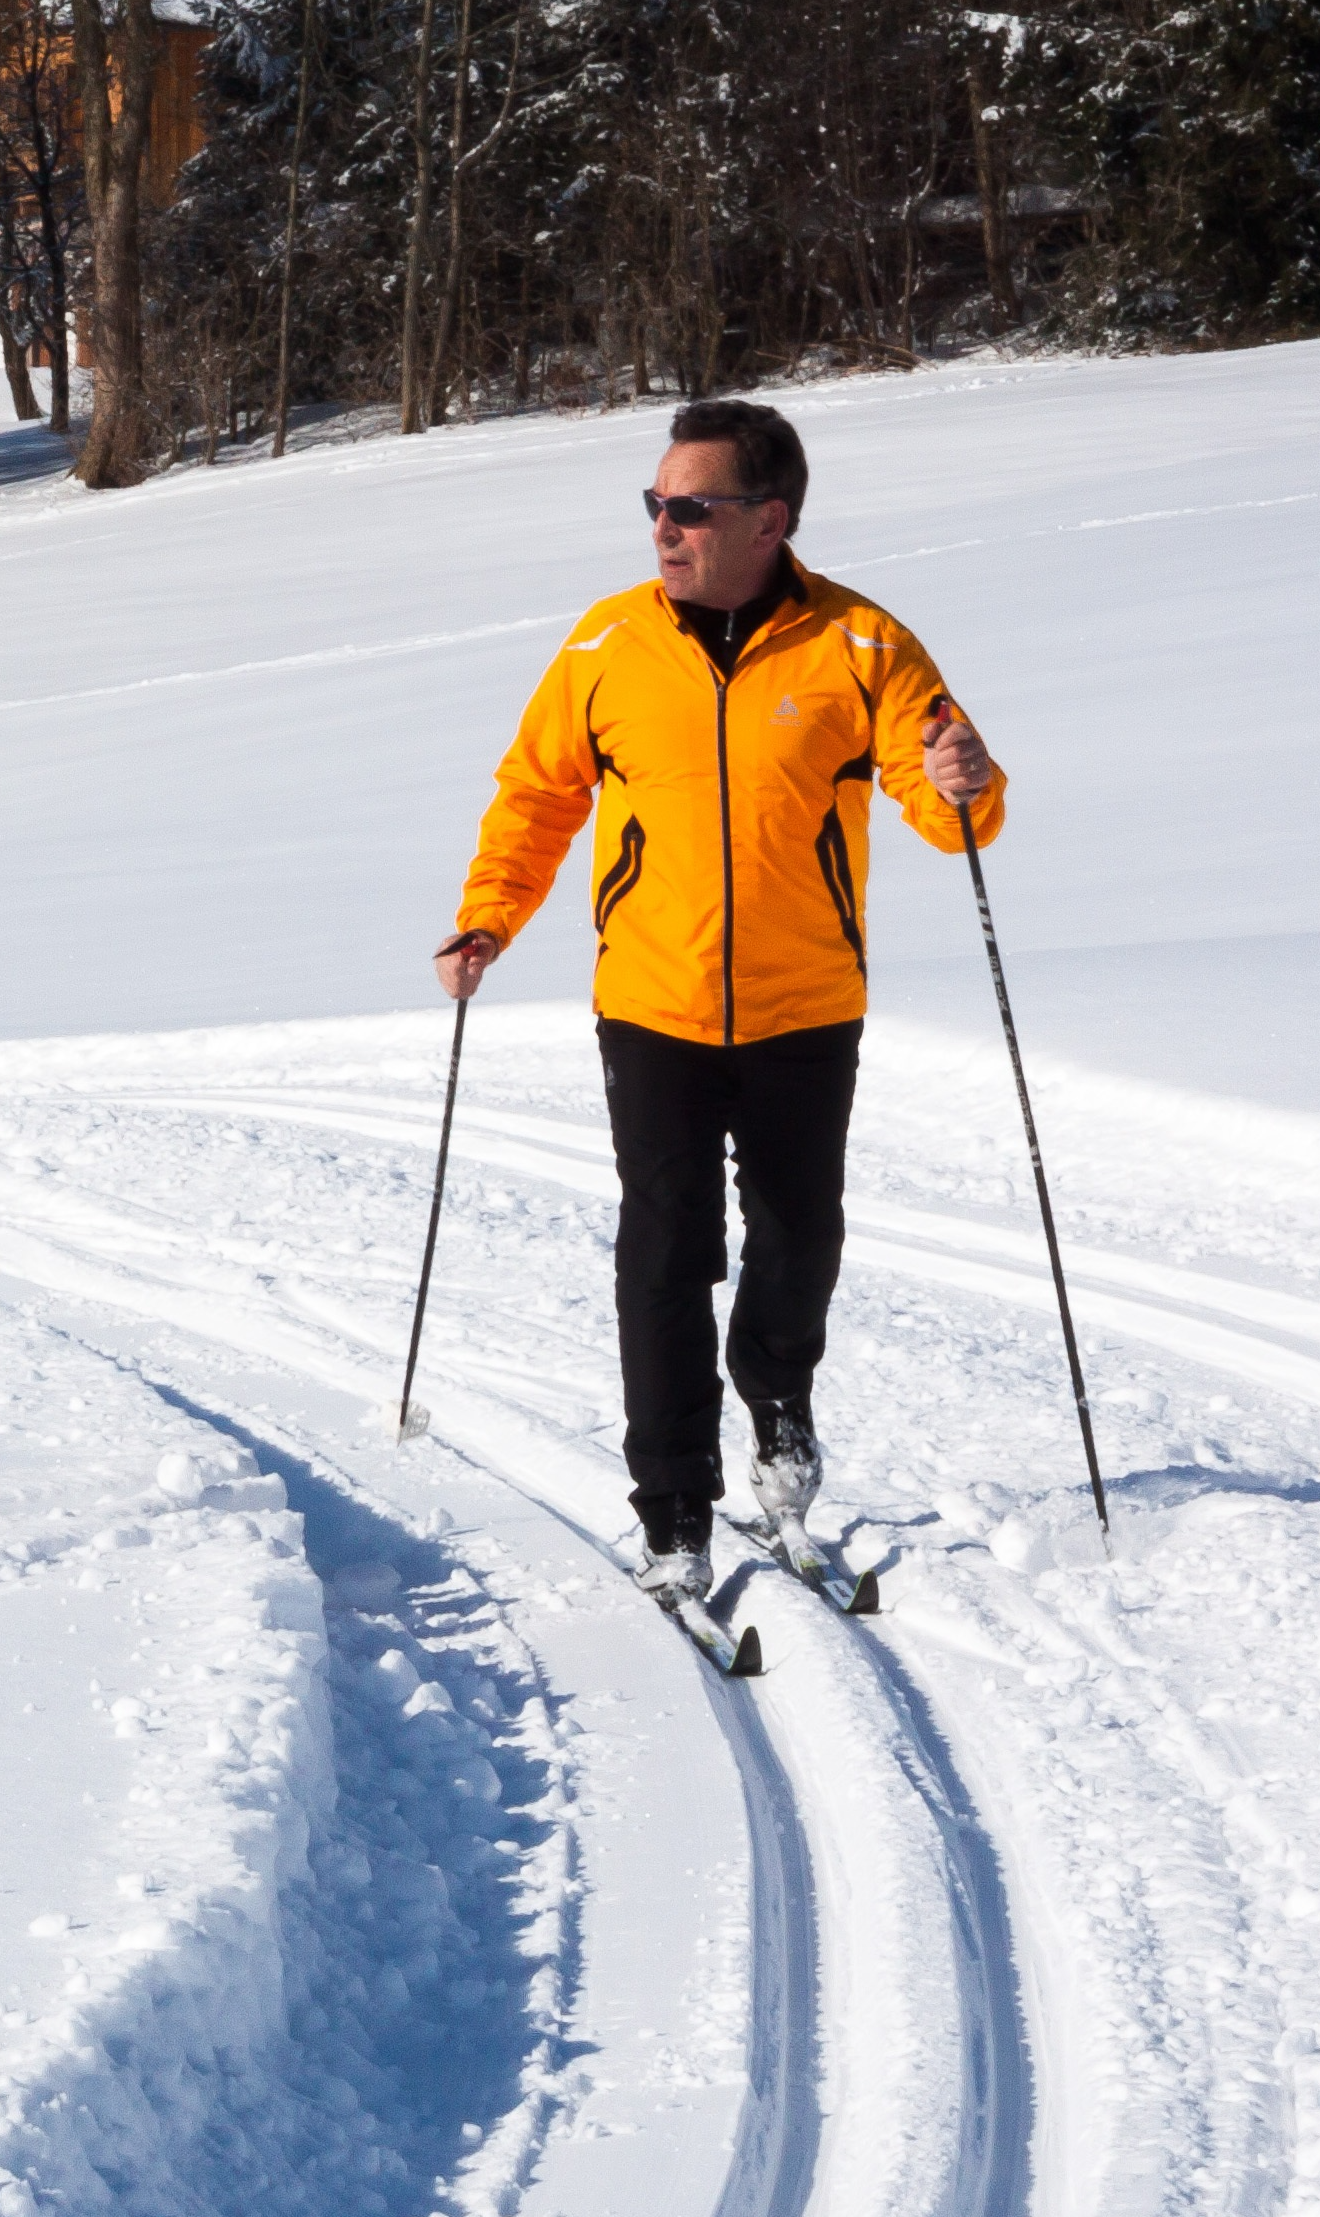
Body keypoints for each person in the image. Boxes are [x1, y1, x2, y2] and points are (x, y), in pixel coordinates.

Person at [431, 397, 1001, 1607]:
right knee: (664, 1249)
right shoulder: (605, 648)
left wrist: (965, 778)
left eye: (689, 506)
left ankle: (777, 1405)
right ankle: (673, 1506)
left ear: (768, 518)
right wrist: (488, 915)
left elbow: (944, 793)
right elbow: (536, 797)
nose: (662, 528)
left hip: (806, 1005)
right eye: (654, 504)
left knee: (799, 1243)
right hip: (653, 1005)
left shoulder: (859, 646)